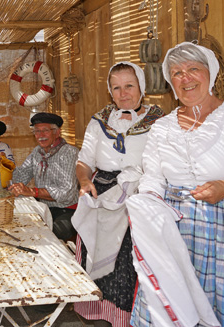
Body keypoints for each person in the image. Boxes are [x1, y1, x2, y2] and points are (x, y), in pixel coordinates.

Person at [129, 42, 224, 327]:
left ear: (211, 73)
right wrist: (148, 201)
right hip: (172, 230)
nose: (185, 78)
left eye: (193, 69)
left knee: (219, 311)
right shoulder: (163, 127)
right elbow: (152, 176)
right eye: (176, 72)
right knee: (170, 307)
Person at [72, 62, 164, 327]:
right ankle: (103, 317)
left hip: (141, 196)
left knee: (129, 263)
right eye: (117, 88)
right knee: (97, 255)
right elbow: (84, 160)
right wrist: (84, 180)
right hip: (101, 194)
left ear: (142, 88)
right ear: (110, 92)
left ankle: (132, 319)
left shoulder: (159, 121)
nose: (123, 94)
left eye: (129, 86)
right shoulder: (99, 121)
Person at [9, 112, 79, 241]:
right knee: (18, 226)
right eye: (37, 131)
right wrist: (5, 166)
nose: (40, 135)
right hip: (44, 207)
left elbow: (66, 193)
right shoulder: (37, 152)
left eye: (45, 131)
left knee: (46, 235)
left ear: (57, 132)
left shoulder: (69, 153)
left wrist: (32, 191)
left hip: (67, 210)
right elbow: (20, 178)